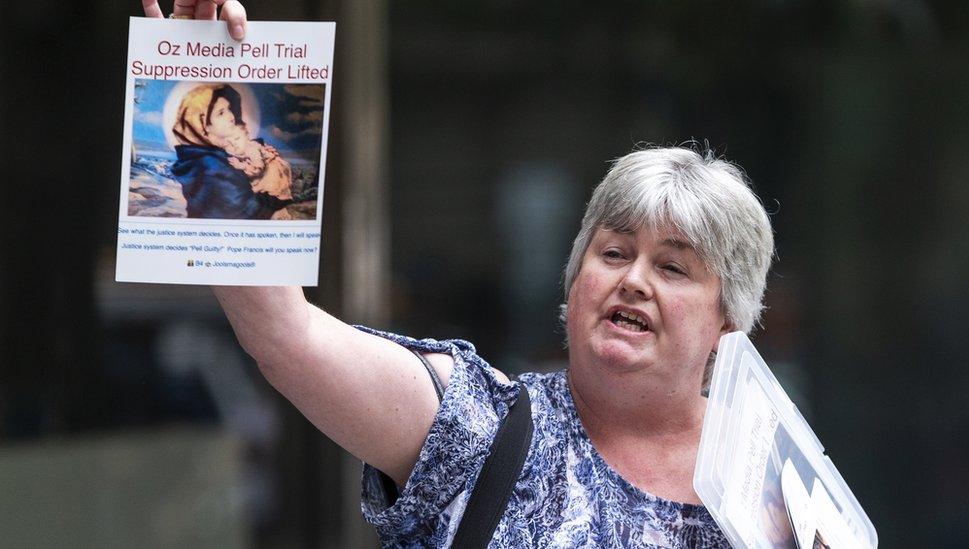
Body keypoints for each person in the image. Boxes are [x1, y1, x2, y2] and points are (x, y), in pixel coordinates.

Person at [141, 3, 774, 547]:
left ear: (727, 322)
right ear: (574, 280)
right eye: (612, 253)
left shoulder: (770, 498)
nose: (634, 279)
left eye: (671, 267)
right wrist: (207, 69)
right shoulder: (481, 427)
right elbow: (287, 336)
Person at [170, 83, 293, 219]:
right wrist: (276, 199)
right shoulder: (210, 165)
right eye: (221, 113)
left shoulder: (211, 155)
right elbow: (246, 210)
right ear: (203, 124)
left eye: (229, 109)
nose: (231, 116)